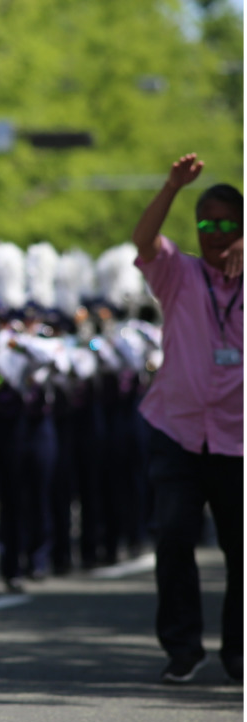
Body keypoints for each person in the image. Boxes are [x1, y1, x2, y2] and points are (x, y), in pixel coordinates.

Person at [130, 153, 242, 684]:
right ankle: (183, 647)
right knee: (174, 537)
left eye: (226, 224)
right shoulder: (180, 274)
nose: (215, 233)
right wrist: (172, 187)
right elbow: (145, 240)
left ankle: (238, 653)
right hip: (177, 431)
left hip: (238, 439)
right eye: (207, 224)